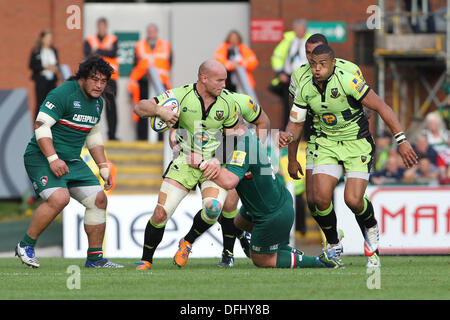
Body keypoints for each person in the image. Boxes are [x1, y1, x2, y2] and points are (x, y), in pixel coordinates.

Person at [279, 44, 418, 268]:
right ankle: (334, 244)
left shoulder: (348, 79)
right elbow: (295, 123)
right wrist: (288, 141)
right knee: (320, 197)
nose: (316, 69)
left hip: (357, 144)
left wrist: (401, 140)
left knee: (352, 200)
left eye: (322, 65)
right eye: (314, 64)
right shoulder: (304, 85)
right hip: (326, 144)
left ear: (333, 64)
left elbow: (382, 107)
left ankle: (371, 227)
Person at [171, 119, 342, 269]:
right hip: (273, 203)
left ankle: (319, 261)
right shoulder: (246, 139)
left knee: (260, 259)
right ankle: (285, 250)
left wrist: (201, 163)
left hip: (272, 215)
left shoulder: (242, 146)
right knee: (238, 222)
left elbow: (229, 181)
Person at [16, 56, 123, 268]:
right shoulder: (63, 93)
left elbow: (92, 136)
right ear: (82, 78)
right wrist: (53, 159)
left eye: (104, 81)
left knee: (99, 200)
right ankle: (25, 245)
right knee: (60, 198)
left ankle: (95, 259)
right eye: (95, 79)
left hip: (72, 160)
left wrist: (103, 166)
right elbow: (41, 126)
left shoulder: (98, 103)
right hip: (42, 156)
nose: (100, 85)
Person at [133, 60, 238, 271]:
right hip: (185, 160)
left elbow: (234, 136)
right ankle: (146, 260)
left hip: (212, 164)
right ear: (203, 78)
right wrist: (159, 111)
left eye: (225, 80)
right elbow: (139, 107)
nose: (224, 85)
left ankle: (187, 241)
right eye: (220, 80)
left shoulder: (227, 102)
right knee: (161, 213)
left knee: (213, 209)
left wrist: (218, 158)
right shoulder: (180, 95)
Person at [279, 33, 366, 262]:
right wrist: (292, 156)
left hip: (348, 140)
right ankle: (334, 234)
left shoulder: (350, 70)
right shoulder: (299, 76)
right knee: (312, 200)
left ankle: (332, 243)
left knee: (347, 198)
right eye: (308, 53)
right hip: (317, 140)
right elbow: (294, 116)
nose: (311, 58)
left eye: (316, 52)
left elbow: (363, 106)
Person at [169, 90, 270, 267]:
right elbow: (177, 132)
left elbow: (264, 121)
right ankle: (229, 245)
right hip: (212, 156)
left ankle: (226, 252)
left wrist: (254, 153)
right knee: (220, 206)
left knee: (230, 206)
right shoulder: (195, 103)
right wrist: (181, 146)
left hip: (237, 154)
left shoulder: (242, 101)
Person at [128, 23, 172, 140]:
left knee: (161, 110)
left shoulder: (165, 44)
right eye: (149, 31)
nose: (151, 34)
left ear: (156, 32)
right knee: (144, 108)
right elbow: (135, 63)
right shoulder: (140, 45)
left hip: (160, 83)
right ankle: (142, 137)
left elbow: (169, 62)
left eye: (153, 31)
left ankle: (160, 139)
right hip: (143, 82)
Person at [84, 17, 119, 141]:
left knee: (111, 107)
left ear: (106, 27)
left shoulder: (113, 39)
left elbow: (113, 53)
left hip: (110, 78)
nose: (101, 28)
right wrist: (105, 51)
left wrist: (98, 51)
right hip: (95, 78)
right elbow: (87, 53)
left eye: (103, 26)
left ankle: (112, 135)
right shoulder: (90, 40)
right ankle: (88, 134)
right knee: (91, 105)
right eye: (99, 26)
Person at [270, 19, 309, 128]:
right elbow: (277, 57)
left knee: (306, 107)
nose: (300, 31)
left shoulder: (309, 41)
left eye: (302, 29)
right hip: (288, 78)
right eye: (298, 29)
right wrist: (279, 73)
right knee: (288, 107)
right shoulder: (288, 40)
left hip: (306, 78)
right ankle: (286, 132)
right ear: (294, 29)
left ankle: (306, 136)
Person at [29, 29, 59, 120]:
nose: (49, 40)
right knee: (40, 103)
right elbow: (32, 65)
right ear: (42, 39)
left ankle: (50, 123)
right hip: (41, 80)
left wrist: (55, 68)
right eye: (47, 38)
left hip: (52, 80)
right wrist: (45, 67)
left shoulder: (53, 50)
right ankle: (37, 124)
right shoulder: (36, 51)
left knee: (51, 103)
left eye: (50, 38)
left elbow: (57, 63)